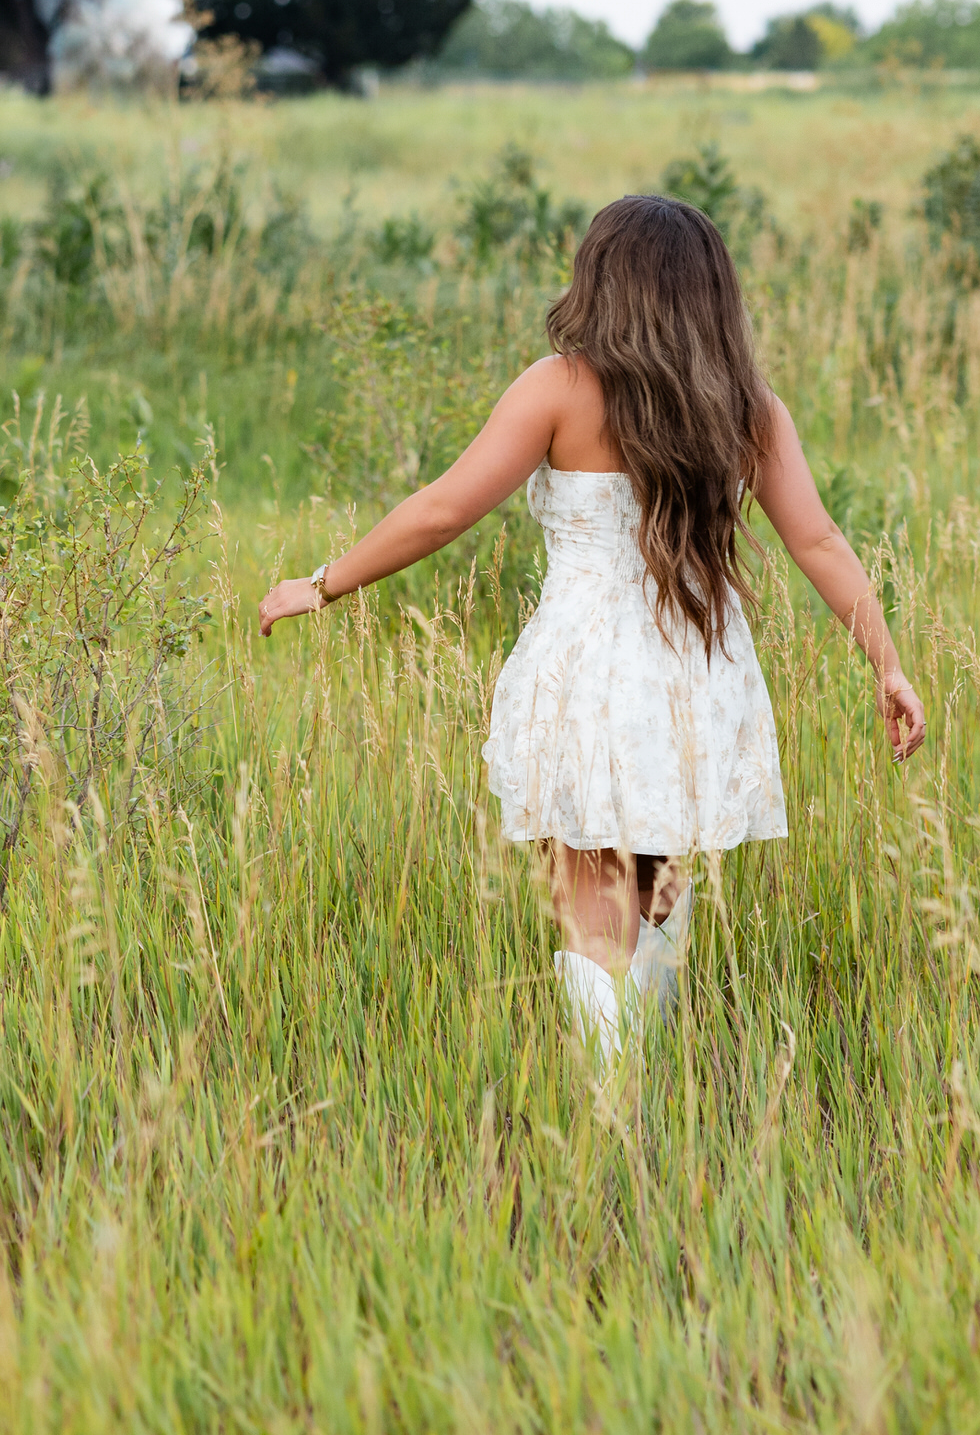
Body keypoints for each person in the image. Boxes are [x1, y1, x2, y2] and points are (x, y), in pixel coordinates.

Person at [259, 194, 924, 1065]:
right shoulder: (748, 407)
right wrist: (890, 665)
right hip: (700, 671)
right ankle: (644, 1082)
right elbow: (819, 541)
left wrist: (322, 584)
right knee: (657, 888)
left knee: (588, 897)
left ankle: (608, 1106)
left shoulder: (561, 387)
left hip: (590, 669)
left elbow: (443, 509)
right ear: (710, 293)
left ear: (603, 279)